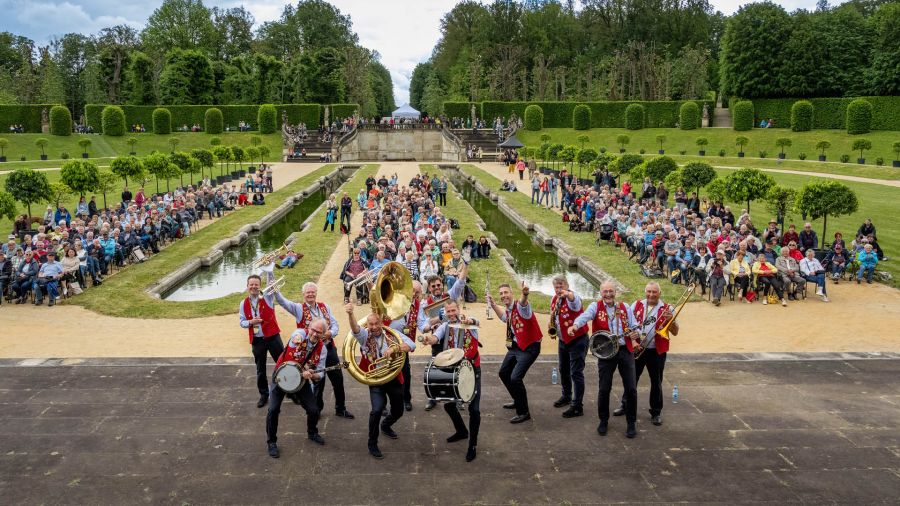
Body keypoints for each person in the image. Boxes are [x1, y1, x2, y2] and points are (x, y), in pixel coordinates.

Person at [274, 281, 353, 419]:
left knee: (338, 379)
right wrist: (274, 288)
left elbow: (334, 324)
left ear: (316, 293)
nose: (310, 294)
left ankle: (341, 408)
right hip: (312, 351)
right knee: (318, 382)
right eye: (308, 292)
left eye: (313, 292)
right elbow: (282, 301)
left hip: (329, 347)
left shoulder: (324, 307)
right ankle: (317, 410)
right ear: (303, 294)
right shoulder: (299, 308)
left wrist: (330, 333)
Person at [570, 281, 640, 438]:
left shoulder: (625, 307)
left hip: (624, 351)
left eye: (611, 291)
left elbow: (635, 325)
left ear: (616, 292)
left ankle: (631, 422)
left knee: (631, 389)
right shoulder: (595, 307)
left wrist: (636, 333)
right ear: (600, 293)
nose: (608, 294)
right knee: (604, 389)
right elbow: (584, 316)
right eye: (605, 292)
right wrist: (575, 325)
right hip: (606, 353)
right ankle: (603, 420)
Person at [345, 304, 415, 460]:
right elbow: (355, 328)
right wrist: (350, 314)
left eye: (377, 323)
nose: (374, 327)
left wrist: (395, 348)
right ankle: (372, 442)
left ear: (382, 323)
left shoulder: (392, 334)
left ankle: (386, 425)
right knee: (376, 410)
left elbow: (412, 344)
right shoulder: (364, 336)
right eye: (371, 324)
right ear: (367, 325)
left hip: (393, 378)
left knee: (398, 411)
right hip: (376, 379)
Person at [612, 282, 678, 426]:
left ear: (659, 293)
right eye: (649, 291)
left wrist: (670, 321)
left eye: (654, 292)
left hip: (656, 351)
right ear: (645, 291)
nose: (651, 295)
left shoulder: (667, 308)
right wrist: (634, 341)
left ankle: (656, 412)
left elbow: (675, 331)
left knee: (656, 382)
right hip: (638, 349)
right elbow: (626, 324)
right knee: (631, 380)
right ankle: (625, 405)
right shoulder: (636, 305)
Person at [422, 300, 481, 462]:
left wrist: (469, 321)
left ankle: (473, 445)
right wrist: (429, 339)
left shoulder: (470, 324)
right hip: (455, 371)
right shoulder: (444, 326)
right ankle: (462, 431)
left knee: (474, 409)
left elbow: (477, 321)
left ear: (458, 309)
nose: (451, 314)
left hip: (472, 369)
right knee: (448, 404)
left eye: (453, 310)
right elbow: (436, 337)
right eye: (448, 312)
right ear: (445, 313)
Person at [265, 319, 328, 458]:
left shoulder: (322, 348)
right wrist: (297, 339)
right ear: (308, 328)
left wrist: (312, 375)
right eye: (313, 330)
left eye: (319, 332)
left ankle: (312, 432)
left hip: (301, 380)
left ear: (323, 334)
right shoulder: (300, 333)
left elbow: (321, 373)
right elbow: (295, 338)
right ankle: (271, 442)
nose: (315, 334)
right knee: (273, 409)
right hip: (282, 374)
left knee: (313, 410)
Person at [489, 281, 542, 424]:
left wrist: (525, 294)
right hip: (516, 347)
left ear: (512, 294)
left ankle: (524, 412)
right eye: (501, 293)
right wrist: (493, 305)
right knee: (503, 373)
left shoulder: (520, 306)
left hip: (530, 347)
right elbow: (504, 318)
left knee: (515, 378)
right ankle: (518, 400)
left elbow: (524, 304)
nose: (503, 295)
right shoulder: (509, 309)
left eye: (506, 292)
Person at [417, 264, 468, 410]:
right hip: (437, 338)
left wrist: (466, 265)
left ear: (442, 285)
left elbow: (460, 282)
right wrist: (437, 319)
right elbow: (423, 327)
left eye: (439, 284)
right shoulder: (424, 304)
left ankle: (458, 397)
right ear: (429, 288)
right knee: (436, 369)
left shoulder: (449, 296)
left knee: (457, 367)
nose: (437, 287)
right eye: (433, 286)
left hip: (454, 336)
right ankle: (432, 397)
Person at [239, 273, 284, 408]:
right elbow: (242, 322)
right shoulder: (243, 303)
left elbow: (273, 285)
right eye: (251, 284)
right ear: (247, 286)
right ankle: (264, 395)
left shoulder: (267, 296)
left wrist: (269, 271)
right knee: (260, 370)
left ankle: (291, 391)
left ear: (260, 286)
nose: (253, 287)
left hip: (273, 337)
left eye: (256, 285)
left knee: (283, 365)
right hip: (258, 340)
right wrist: (250, 322)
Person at [546, 276, 587, 417]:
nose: (559, 289)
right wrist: (552, 326)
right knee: (563, 369)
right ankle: (567, 395)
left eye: (561, 286)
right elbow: (555, 316)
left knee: (576, 372)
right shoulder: (554, 299)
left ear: (567, 285)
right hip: (563, 340)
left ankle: (577, 406)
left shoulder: (572, 298)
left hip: (577, 340)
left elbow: (575, 302)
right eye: (556, 287)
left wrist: (568, 294)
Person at [385, 280, 423, 411]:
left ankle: (406, 399)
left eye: (417, 292)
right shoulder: (396, 299)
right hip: (388, 339)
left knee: (406, 372)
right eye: (413, 290)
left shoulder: (418, 305)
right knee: (385, 371)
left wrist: (430, 326)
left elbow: (422, 323)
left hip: (404, 343)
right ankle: (384, 404)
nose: (414, 294)